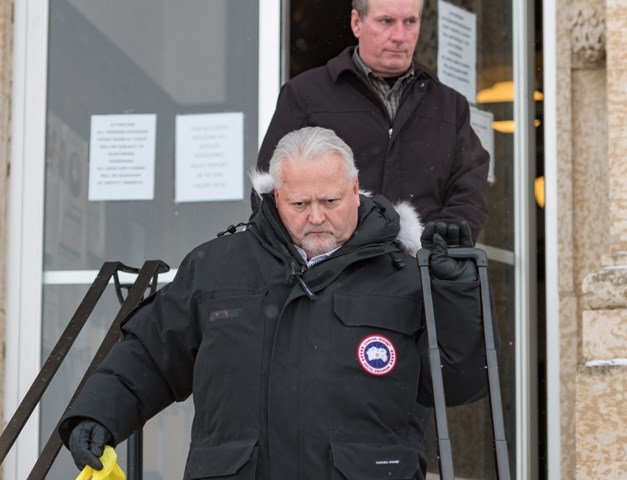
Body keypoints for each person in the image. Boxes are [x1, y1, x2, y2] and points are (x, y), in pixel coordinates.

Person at [60, 127, 489, 479]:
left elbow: (460, 381)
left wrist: (455, 295)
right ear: (275, 197)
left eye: (331, 201)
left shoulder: (403, 273)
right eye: (300, 204)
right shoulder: (217, 267)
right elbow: (151, 353)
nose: (316, 217)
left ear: (355, 189)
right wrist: (98, 414)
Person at [255, 0, 490, 244]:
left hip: (420, 273)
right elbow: (270, 189)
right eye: (386, 21)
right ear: (357, 23)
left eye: (410, 21)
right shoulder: (305, 94)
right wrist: (308, 260)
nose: (400, 35)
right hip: (330, 273)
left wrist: (436, 250)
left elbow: (469, 193)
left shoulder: (450, 106)